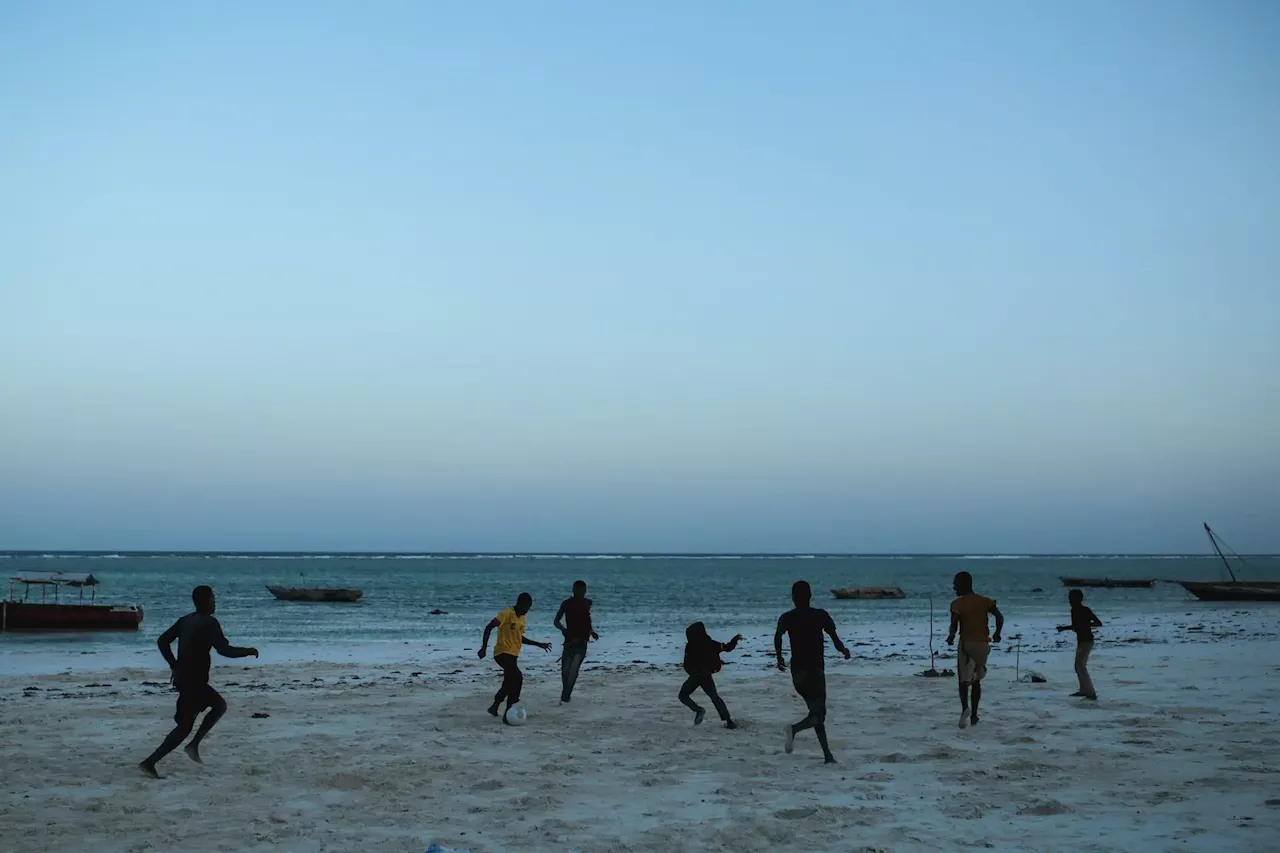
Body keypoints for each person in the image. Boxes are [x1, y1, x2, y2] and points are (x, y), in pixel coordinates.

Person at [139, 585, 259, 778]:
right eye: (213, 598)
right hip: (193, 680)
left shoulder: (185, 620)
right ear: (206, 601)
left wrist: (174, 665)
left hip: (185, 679)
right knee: (215, 708)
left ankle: (160, 758)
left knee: (187, 723)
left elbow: (162, 641)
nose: (215, 602)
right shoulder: (209, 623)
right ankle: (176, 752)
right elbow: (224, 650)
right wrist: (248, 651)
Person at [774, 580, 851, 763]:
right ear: (810, 596)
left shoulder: (787, 617)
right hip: (815, 671)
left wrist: (779, 657)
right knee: (818, 713)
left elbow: (777, 636)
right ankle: (794, 730)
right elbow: (835, 639)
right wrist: (844, 651)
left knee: (816, 712)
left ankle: (827, 755)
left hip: (798, 673)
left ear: (793, 598)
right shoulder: (820, 615)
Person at [478, 592, 552, 720]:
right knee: (517, 678)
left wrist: (538, 644)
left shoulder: (522, 619)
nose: (527, 610)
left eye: (529, 607)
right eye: (526, 607)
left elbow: (519, 637)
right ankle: (508, 710)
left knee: (509, 681)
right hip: (502, 652)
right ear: (520, 603)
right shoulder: (506, 613)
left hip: (513, 655)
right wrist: (484, 648)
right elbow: (489, 627)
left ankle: (495, 706)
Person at [946, 571, 1004, 729]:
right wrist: (997, 633)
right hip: (983, 645)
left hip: (966, 644)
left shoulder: (957, 604)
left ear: (962, 585)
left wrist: (951, 637)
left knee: (963, 680)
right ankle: (975, 715)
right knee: (977, 680)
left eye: (955, 584)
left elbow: (954, 625)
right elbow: (999, 617)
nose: (953, 587)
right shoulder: (985, 601)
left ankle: (965, 708)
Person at [678, 622, 742, 729]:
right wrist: (734, 640)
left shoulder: (690, 645)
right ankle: (729, 721)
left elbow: (687, 661)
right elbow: (727, 647)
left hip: (696, 675)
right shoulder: (710, 643)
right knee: (714, 697)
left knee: (683, 695)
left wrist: (690, 672)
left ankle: (699, 710)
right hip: (706, 674)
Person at [553, 580, 599, 704]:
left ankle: (566, 695)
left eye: (583, 591)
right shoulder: (567, 604)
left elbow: (587, 621)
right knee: (565, 670)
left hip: (582, 641)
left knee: (574, 669)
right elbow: (556, 621)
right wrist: (563, 630)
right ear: (573, 590)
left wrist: (592, 632)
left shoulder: (587, 603)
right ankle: (566, 692)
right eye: (578, 591)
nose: (581, 593)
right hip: (569, 641)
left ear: (585, 591)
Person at [1056, 589, 1102, 700]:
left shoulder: (1078, 610)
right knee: (1078, 666)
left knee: (1081, 666)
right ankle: (1083, 690)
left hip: (1086, 641)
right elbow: (1095, 623)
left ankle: (1090, 692)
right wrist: (1085, 625)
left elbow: (1079, 625)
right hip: (1083, 640)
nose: (1069, 600)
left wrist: (1064, 628)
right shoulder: (1082, 610)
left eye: (1070, 598)